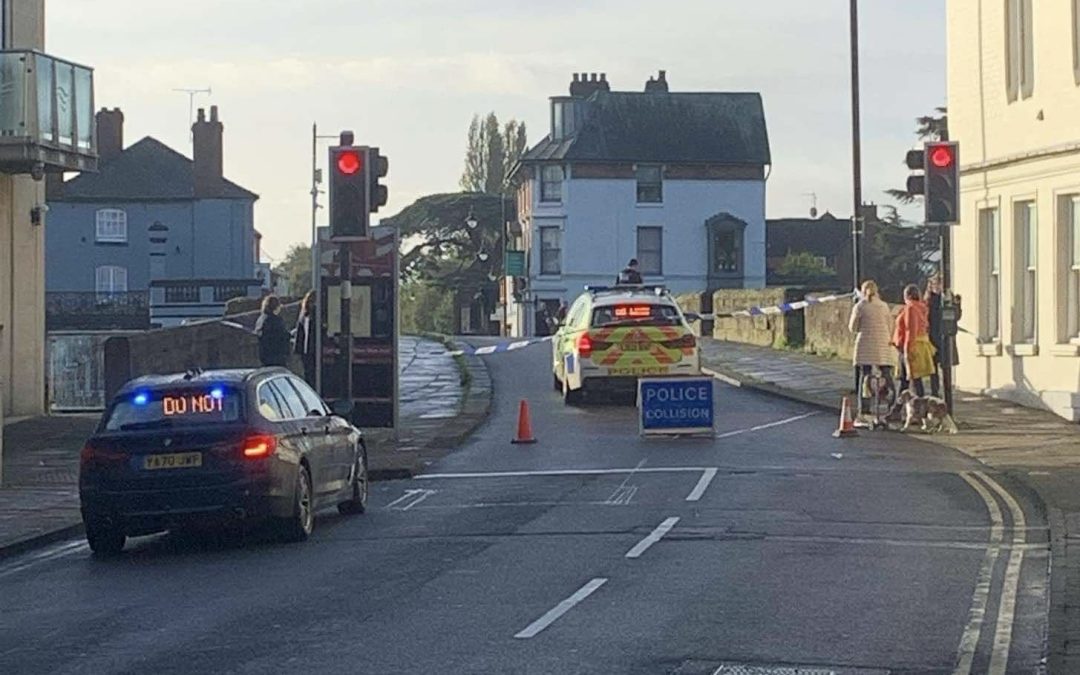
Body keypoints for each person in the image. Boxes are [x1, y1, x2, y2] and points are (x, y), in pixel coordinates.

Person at [848, 280, 896, 418]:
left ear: (863, 291)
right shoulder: (884, 306)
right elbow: (891, 325)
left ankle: (864, 409)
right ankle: (891, 404)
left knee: (865, 376)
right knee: (886, 374)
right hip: (882, 345)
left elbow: (852, 328)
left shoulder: (860, 306)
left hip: (865, 345)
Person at [893, 283, 936, 397]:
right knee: (912, 380)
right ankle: (898, 408)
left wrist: (907, 350)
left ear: (907, 295)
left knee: (909, 380)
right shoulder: (921, 308)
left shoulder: (911, 308)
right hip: (919, 345)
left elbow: (910, 330)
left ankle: (904, 408)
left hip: (911, 346)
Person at [924, 274, 962, 398]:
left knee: (946, 365)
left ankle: (947, 390)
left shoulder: (948, 298)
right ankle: (935, 391)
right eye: (936, 284)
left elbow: (955, 317)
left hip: (946, 336)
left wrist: (957, 304)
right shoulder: (928, 301)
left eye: (940, 284)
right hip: (932, 336)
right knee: (933, 368)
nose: (938, 287)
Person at [255, 295, 291, 368]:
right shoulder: (275, 320)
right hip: (276, 356)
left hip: (264, 355)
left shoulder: (260, 319)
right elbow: (282, 337)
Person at [293, 291, 317, 386]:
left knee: (309, 375)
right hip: (312, 350)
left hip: (306, 350)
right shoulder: (314, 313)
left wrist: (298, 349)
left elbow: (300, 332)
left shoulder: (304, 313)